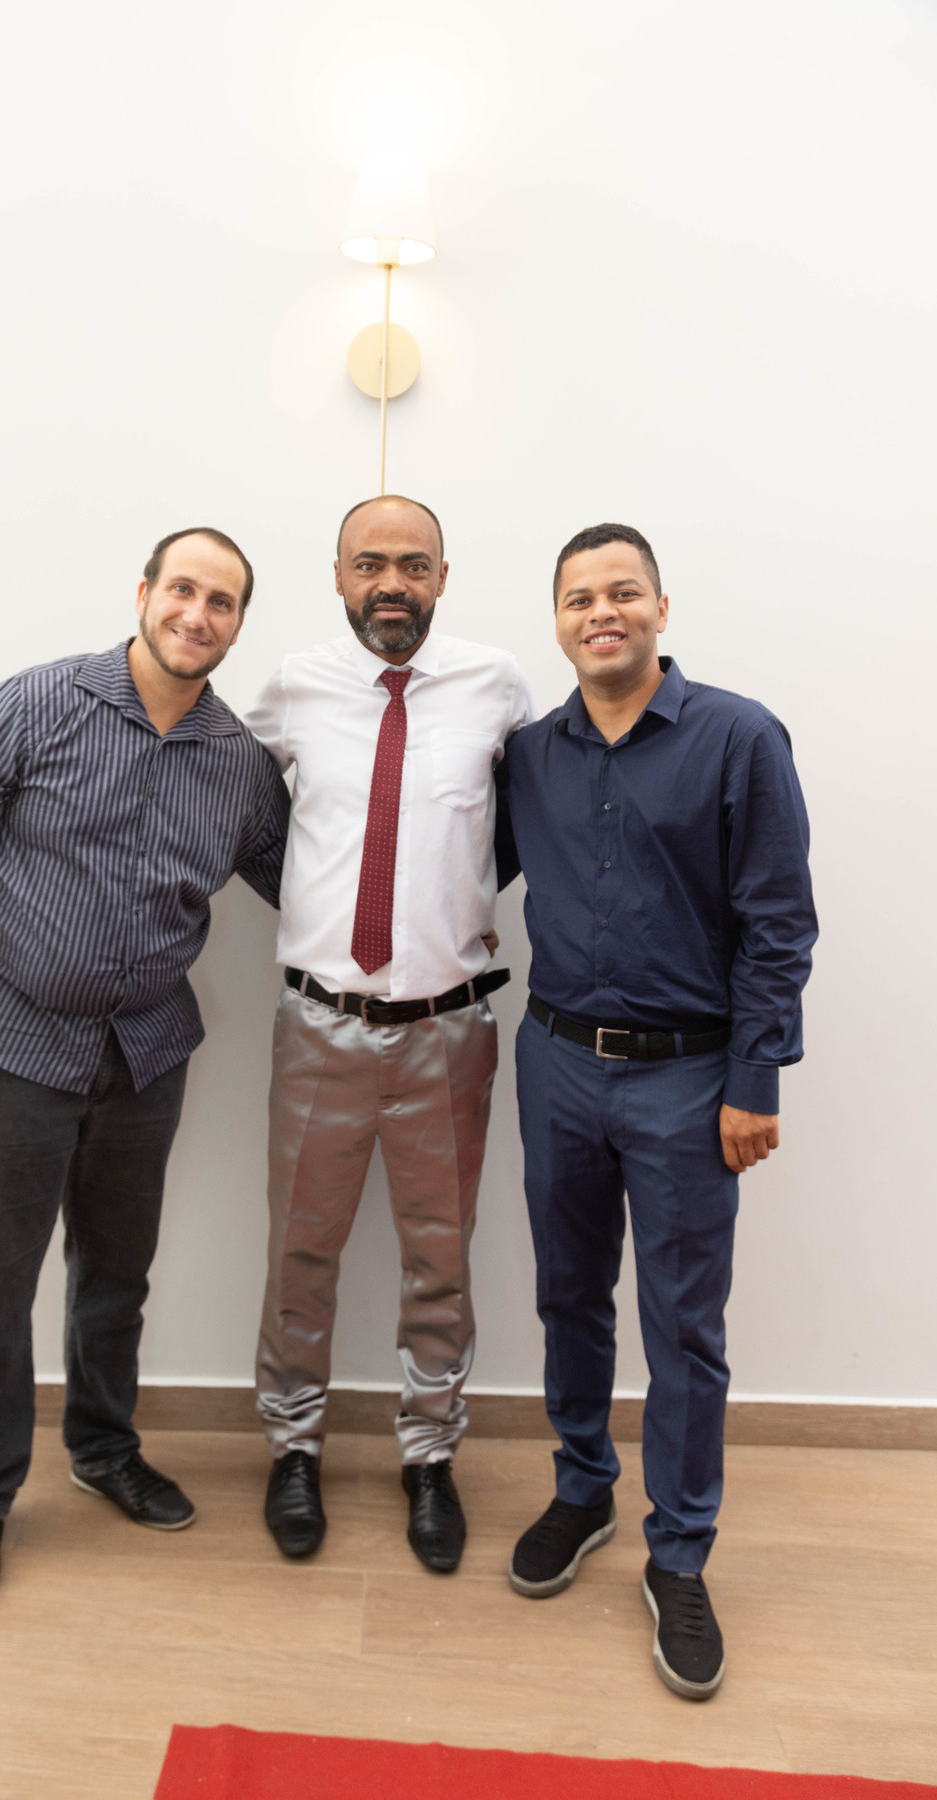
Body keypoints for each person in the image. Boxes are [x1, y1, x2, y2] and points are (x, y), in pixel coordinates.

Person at [0, 527, 289, 1618]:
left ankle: (104, 1449)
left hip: (144, 1058)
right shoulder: (35, 704)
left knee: (116, 1276)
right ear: (144, 592)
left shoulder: (240, 764)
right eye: (183, 589)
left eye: (223, 602)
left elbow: (310, 881)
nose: (198, 614)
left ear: (238, 624)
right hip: (4, 1048)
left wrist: (443, 902)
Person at [498, 522, 817, 1698]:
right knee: (568, 1293)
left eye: (622, 591)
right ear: (558, 622)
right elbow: (460, 871)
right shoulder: (528, 755)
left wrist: (754, 1079)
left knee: (684, 1327)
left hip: (690, 1078)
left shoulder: (739, 738)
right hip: (556, 1062)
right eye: (579, 597)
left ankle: (678, 1553)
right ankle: (583, 1487)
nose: (602, 612)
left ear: (662, 609)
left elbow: (780, 923)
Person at [245, 494, 533, 1573]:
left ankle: (429, 1454)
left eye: (414, 565)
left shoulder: (496, 685)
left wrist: (459, 899)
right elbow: (234, 803)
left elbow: (527, 817)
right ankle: (293, 1447)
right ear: (338, 576)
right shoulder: (294, 686)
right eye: (370, 564)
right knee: (299, 1252)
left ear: (443, 577)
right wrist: (305, 902)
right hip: (318, 1024)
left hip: (448, 1033)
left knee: (439, 1259)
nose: (392, 584)